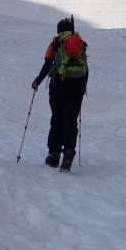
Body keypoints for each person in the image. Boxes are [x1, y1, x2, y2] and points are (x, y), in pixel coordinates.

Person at [32, 18, 88, 171]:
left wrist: (37, 81)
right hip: (77, 86)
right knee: (71, 120)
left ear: (59, 30)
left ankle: (54, 155)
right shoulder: (81, 43)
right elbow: (85, 68)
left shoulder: (55, 44)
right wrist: (83, 88)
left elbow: (47, 65)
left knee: (57, 119)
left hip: (58, 86)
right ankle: (69, 151)